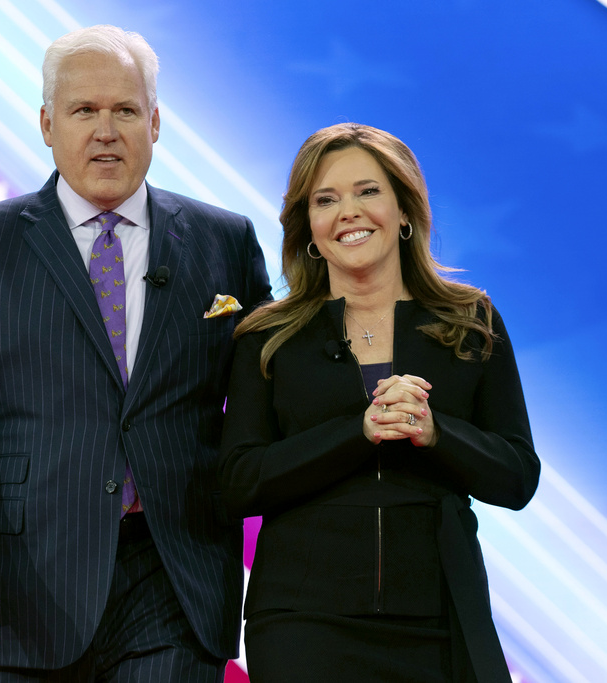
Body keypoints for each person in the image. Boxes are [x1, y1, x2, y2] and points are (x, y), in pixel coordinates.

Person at [0, 24, 272, 682]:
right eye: (84, 110)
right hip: (22, 585)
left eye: (125, 110)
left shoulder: (228, 242)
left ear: (155, 123)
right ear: (48, 123)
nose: (107, 130)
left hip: (175, 579)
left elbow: (269, 400)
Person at [218, 123, 539, 682]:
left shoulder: (469, 323)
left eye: (368, 191)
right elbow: (239, 481)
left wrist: (435, 432)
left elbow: (516, 478)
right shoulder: (268, 337)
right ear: (309, 230)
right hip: (304, 621)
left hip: (440, 615)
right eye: (326, 199)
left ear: (405, 212)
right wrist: (357, 432)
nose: (349, 211)